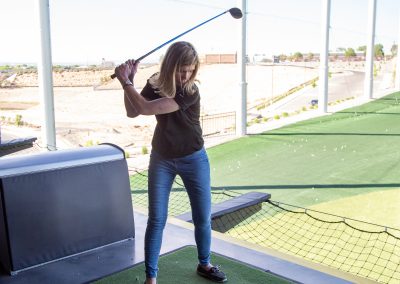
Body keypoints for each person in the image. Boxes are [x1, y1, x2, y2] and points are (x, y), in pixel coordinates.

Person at [114, 41, 227, 284]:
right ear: (170, 66)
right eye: (181, 69)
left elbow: (144, 108)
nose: (186, 75)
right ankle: (151, 278)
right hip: (162, 159)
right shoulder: (156, 82)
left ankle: (204, 264)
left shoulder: (190, 90)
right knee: (157, 218)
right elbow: (133, 111)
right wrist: (129, 83)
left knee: (202, 217)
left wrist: (126, 82)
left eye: (190, 70)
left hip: (193, 157)